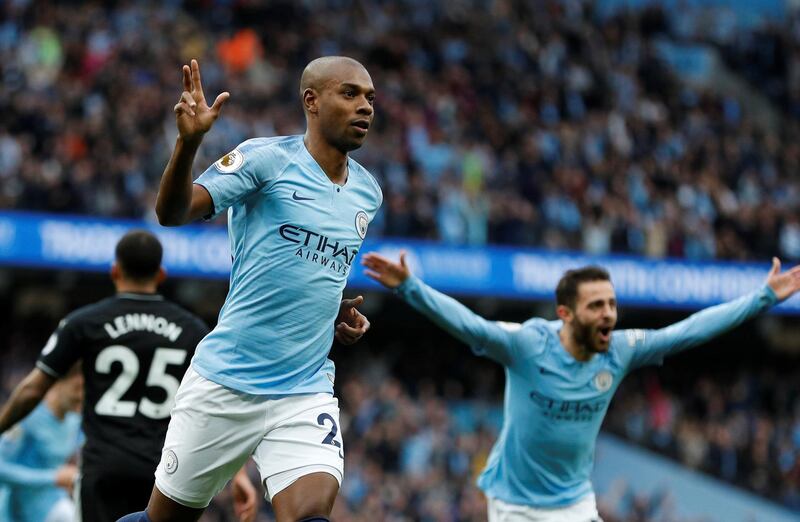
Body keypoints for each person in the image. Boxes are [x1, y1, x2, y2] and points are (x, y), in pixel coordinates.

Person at [118, 55, 381, 522]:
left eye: (370, 98)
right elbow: (173, 212)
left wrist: (332, 309)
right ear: (311, 101)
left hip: (304, 389)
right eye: (350, 94)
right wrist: (188, 144)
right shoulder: (267, 159)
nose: (365, 107)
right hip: (226, 381)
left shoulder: (368, 192)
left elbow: (311, 267)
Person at [361, 252, 800, 522]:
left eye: (611, 303)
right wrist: (411, 288)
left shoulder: (621, 351)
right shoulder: (528, 344)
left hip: (574, 503)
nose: (609, 313)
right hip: (515, 504)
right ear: (566, 314)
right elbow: (471, 327)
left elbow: (689, 331)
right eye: (596, 306)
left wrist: (762, 297)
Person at [0, 230, 254, 522]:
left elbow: (33, 389)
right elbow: (219, 399)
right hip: (162, 474)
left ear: (115, 271)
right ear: (161, 275)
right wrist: (238, 473)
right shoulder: (192, 331)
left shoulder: (84, 322)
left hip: (102, 471)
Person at [0, 367, 83, 522]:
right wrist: (53, 478)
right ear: (57, 383)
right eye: (77, 388)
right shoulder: (27, 415)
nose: (80, 396)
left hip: (53, 507)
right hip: (14, 513)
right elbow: (1, 469)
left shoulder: (74, 420)